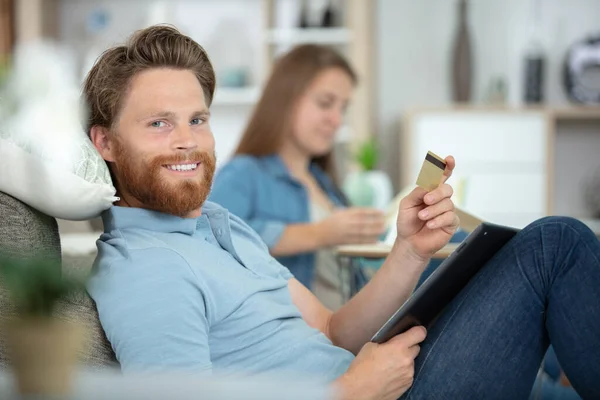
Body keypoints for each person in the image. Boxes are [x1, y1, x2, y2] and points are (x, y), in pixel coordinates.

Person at [85, 25, 600, 399]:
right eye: (158, 124)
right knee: (554, 246)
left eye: (197, 119)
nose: (187, 141)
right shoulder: (144, 269)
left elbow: (332, 331)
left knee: (517, 252)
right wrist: (352, 390)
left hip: (382, 380)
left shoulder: (218, 223)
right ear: (105, 142)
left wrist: (408, 252)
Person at [209, 44, 385, 308]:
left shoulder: (324, 183)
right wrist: (318, 234)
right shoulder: (245, 173)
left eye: (343, 108)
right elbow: (210, 239)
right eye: (326, 103)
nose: (336, 120)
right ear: (286, 100)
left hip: (355, 327)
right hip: (305, 337)